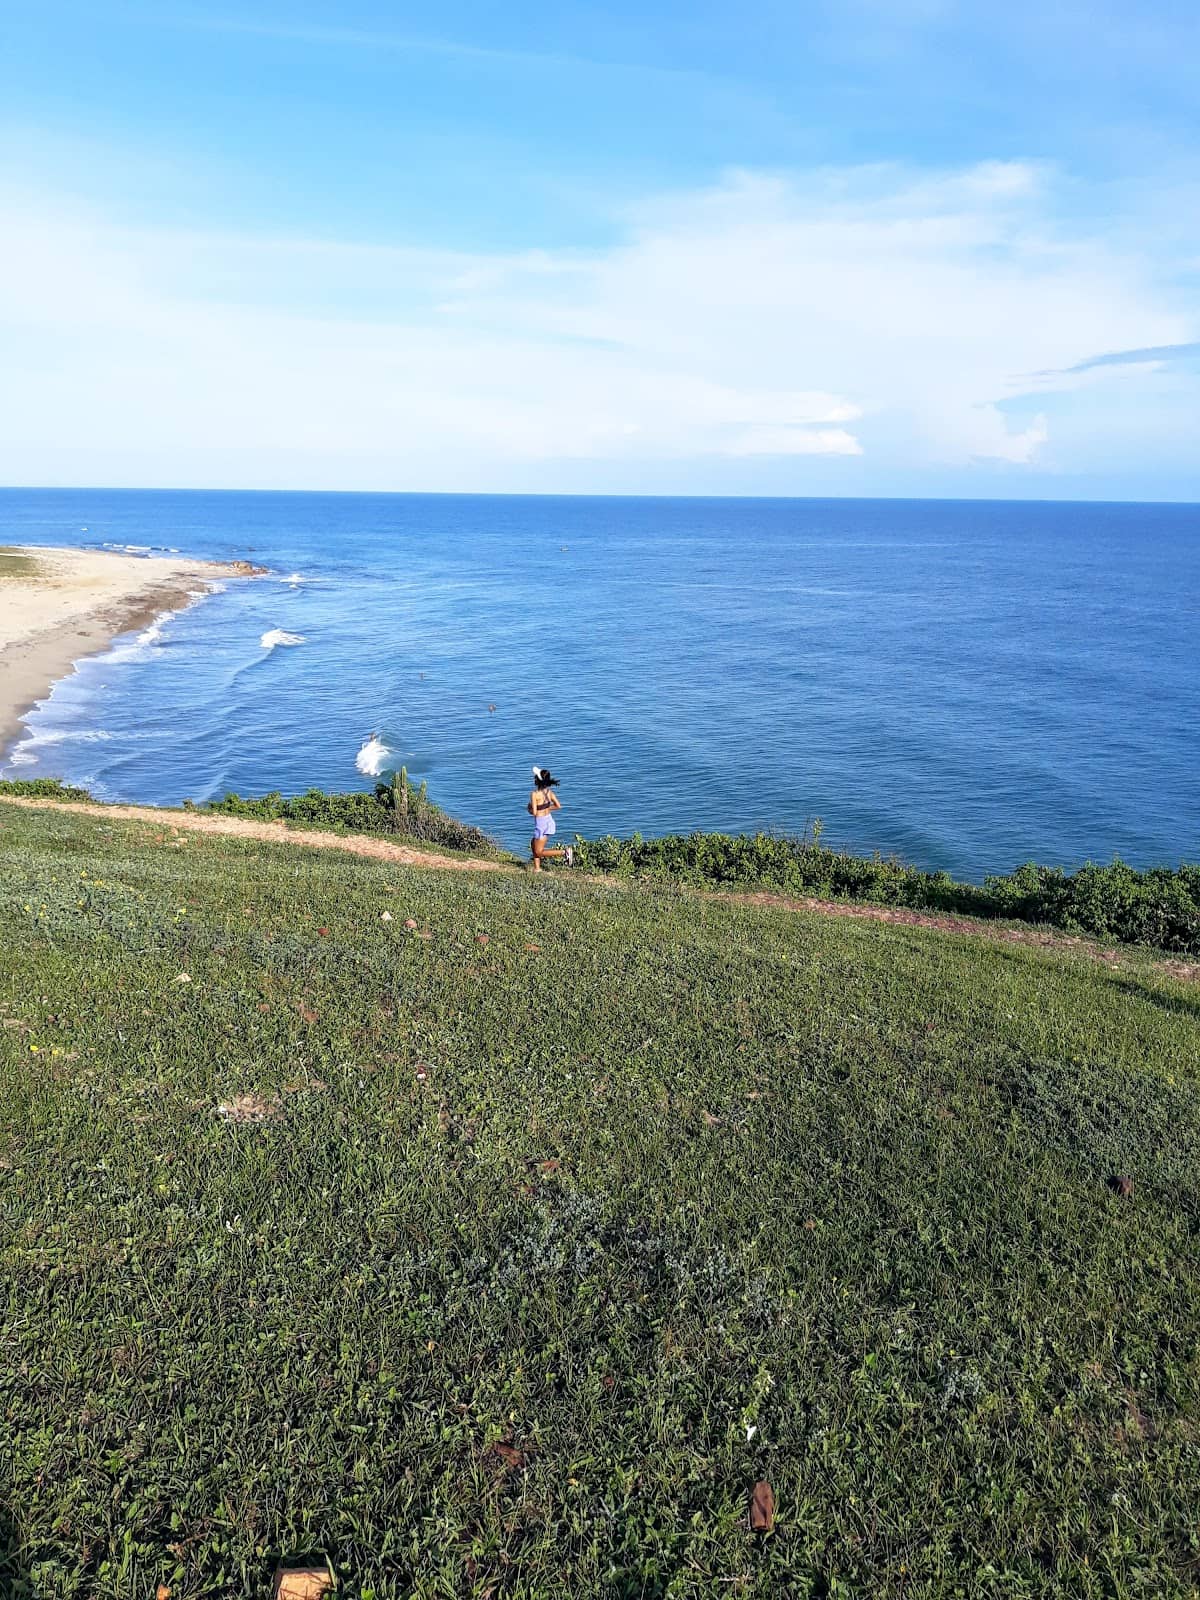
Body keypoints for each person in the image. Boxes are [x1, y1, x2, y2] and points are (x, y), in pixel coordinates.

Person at [528, 766, 574, 871]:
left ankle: (564, 852)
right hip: (549, 820)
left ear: (537, 780)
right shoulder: (549, 793)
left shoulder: (534, 794)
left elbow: (534, 812)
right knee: (533, 843)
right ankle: (537, 869)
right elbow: (558, 806)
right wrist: (547, 809)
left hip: (541, 824)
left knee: (538, 851)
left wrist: (528, 809)